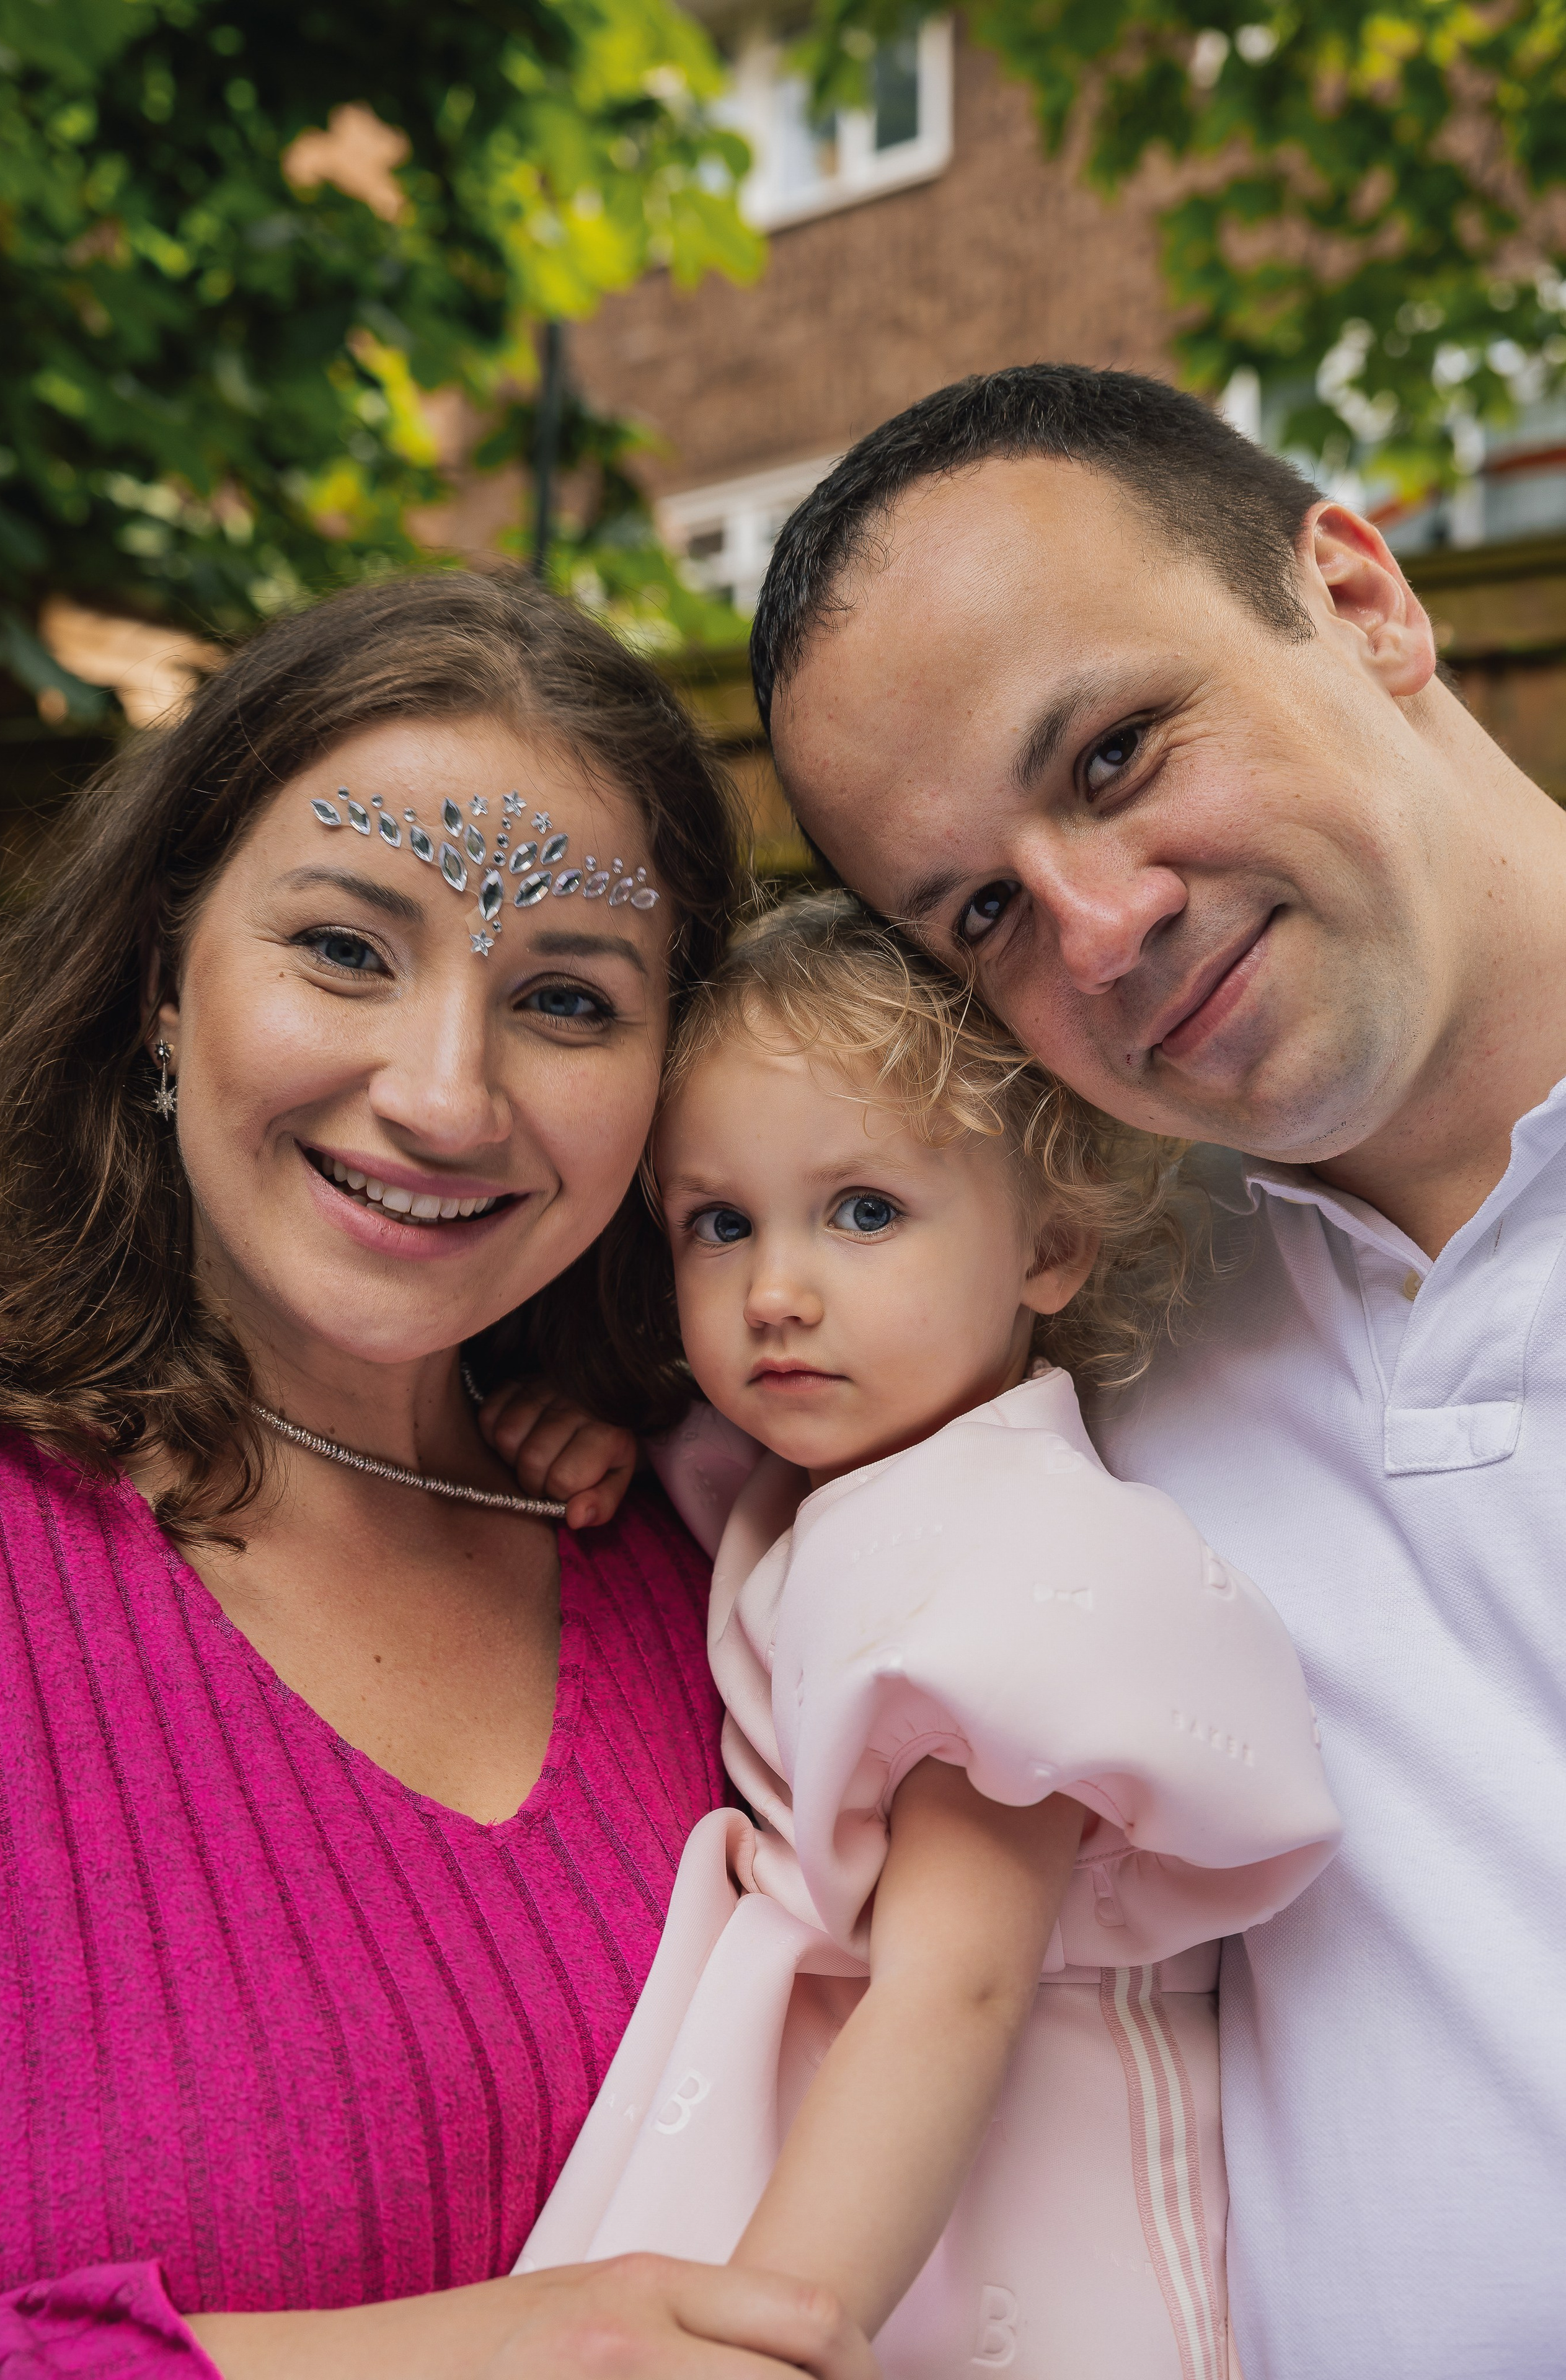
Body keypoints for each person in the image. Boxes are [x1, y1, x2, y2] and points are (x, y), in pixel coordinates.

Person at [745, 363, 1566, 2379]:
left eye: (1116, 753)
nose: (1099, 931)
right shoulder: (1064, 1318)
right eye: (983, 914)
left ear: (1364, 601)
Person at [0, 570, 873, 2380]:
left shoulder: (733, 1555)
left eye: (564, 997)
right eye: (341, 951)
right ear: (165, 977)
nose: (446, 1098)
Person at [513, 895, 1340, 2378]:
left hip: (984, 2207)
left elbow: (953, 1984)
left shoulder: (1011, 1553)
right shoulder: (832, 1480)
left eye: (864, 1212)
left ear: (1050, 1247)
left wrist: (767, 2332)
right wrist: (587, 1442)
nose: (774, 1291)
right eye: (719, 1223)